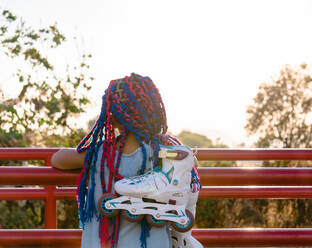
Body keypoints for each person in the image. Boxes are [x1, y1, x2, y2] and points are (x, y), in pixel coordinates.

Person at [51, 73, 202, 248]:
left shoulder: (100, 153)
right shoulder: (163, 152)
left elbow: (58, 159)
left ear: (112, 114)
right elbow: (191, 163)